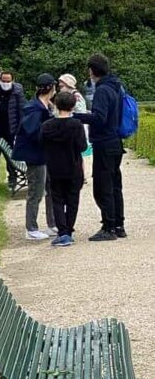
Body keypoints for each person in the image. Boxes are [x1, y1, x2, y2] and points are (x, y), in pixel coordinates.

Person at [74, 54, 125, 241]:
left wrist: (77, 116)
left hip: (104, 142)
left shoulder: (102, 90)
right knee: (115, 185)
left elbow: (99, 118)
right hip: (115, 141)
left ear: (92, 70)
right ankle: (119, 224)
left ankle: (108, 226)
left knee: (103, 186)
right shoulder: (116, 87)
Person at [12, 73, 57, 240]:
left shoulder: (45, 107)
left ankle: (52, 224)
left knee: (50, 188)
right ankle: (31, 227)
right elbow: (33, 132)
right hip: (35, 155)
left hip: (44, 154)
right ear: (51, 88)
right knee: (36, 191)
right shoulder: (34, 108)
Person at [39, 92, 87, 247]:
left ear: (56, 105)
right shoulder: (77, 125)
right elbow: (82, 147)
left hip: (55, 167)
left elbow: (41, 144)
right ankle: (69, 230)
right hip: (73, 167)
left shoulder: (46, 126)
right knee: (73, 200)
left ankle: (63, 231)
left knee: (57, 200)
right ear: (73, 106)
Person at [0, 71, 26, 187]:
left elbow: (21, 110)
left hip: (11, 127)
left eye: (8, 81)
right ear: (0, 80)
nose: (6, 83)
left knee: (10, 153)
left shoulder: (17, 92)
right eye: (3, 81)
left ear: (12, 81)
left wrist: (20, 127)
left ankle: (12, 176)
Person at [58, 73, 92, 157]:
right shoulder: (72, 96)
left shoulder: (76, 96)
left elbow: (80, 113)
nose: (60, 89)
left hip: (78, 129)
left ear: (68, 85)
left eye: (62, 87)